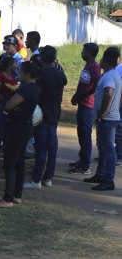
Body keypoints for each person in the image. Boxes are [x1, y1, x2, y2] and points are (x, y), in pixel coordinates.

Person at [0, 61, 40, 208]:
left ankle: (8, 198)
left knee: (10, 162)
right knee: (19, 161)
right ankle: (16, 195)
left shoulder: (26, 89)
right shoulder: (33, 88)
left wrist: (8, 109)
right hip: (24, 126)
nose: (18, 75)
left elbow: (8, 105)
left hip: (18, 127)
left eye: (21, 73)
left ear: (27, 74)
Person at [24, 46, 67, 189]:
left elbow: (37, 94)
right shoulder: (59, 73)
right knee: (52, 147)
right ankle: (48, 177)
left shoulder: (41, 74)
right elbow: (61, 92)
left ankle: (36, 180)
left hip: (41, 114)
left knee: (41, 147)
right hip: (54, 112)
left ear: (41, 58)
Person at [84, 47, 122, 191]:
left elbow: (108, 93)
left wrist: (103, 112)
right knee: (102, 147)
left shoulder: (109, 76)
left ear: (105, 60)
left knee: (108, 149)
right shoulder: (113, 74)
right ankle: (100, 175)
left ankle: (108, 180)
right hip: (108, 117)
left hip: (107, 119)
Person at [69, 43, 101, 174]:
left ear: (89, 52)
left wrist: (82, 95)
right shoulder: (88, 66)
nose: (82, 52)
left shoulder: (94, 67)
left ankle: (85, 166)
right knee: (81, 134)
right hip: (83, 103)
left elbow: (95, 85)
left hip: (88, 105)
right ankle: (82, 160)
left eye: (84, 50)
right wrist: (77, 96)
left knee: (85, 135)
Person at [0, 56, 18, 167]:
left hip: (10, 109)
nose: (16, 66)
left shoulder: (12, 76)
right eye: (15, 64)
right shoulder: (0, 76)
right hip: (1, 108)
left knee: (8, 135)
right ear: (9, 65)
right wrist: (4, 101)